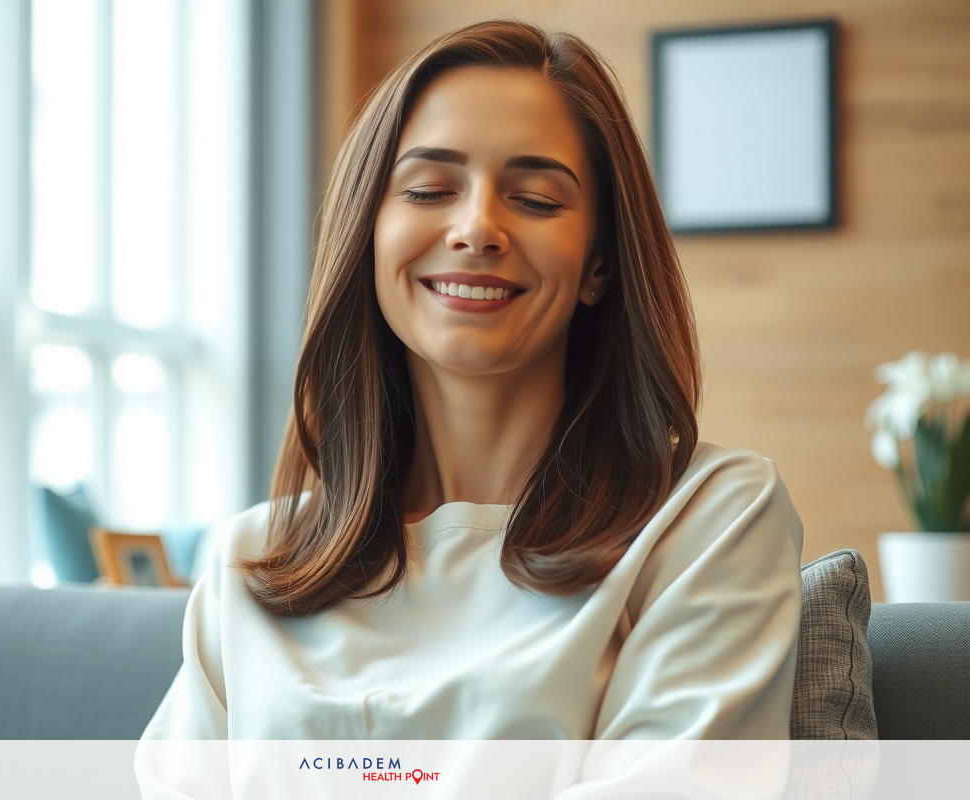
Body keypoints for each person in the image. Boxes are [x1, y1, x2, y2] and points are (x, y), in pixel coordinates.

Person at [138, 18, 803, 787]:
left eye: (536, 199)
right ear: (368, 235)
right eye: (428, 189)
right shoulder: (253, 562)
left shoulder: (710, 519)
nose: (477, 228)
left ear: (600, 266)